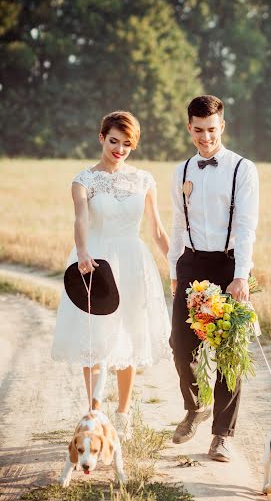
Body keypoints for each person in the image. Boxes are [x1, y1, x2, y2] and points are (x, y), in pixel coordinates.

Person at [52, 111, 171, 440]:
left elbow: (158, 229)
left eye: (127, 144)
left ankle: (121, 415)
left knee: (129, 338)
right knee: (93, 339)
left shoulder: (144, 180)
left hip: (133, 263)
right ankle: (94, 414)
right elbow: (80, 220)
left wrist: (177, 263)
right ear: (101, 137)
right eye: (114, 141)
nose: (120, 149)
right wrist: (82, 252)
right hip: (96, 263)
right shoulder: (83, 180)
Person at [168, 95, 259, 462]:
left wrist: (241, 276)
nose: (205, 137)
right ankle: (196, 406)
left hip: (228, 265)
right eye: (198, 130)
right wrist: (174, 271)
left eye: (211, 129)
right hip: (190, 266)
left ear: (222, 126)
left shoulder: (243, 169)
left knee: (229, 355)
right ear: (189, 128)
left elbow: (246, 226)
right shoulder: (181, 171)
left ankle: (222, 435)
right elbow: (177, 224)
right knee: (180, 345)